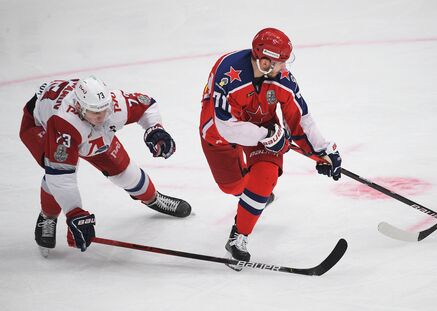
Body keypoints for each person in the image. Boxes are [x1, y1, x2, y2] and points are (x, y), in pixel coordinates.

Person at [199, 28, 342, 269]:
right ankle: (251, 197)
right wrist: (267, 135)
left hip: (264, 126)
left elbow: (300, 118)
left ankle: (238, 237)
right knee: (231, 186)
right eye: (280, 62)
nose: (284, 68)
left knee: (264, 178)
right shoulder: (228, 73)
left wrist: (322, 151)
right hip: (220, 132)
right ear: (264, 61)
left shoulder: (282, 80)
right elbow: (226, 127)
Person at [19, 76, 191, 257]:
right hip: (41, 127)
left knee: (126, 174)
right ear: (79, 107)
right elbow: (60, 178)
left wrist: (155, 129)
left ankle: (153, 198)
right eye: (95, 111)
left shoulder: (113, 105)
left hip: (88, 130)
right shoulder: (64, 122)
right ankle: (48, 216)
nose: (102, 115)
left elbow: (147, 104)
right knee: (54, 168)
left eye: (104, 109)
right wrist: (75, 213)